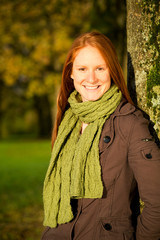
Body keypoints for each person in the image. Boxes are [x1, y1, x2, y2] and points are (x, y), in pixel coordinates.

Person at [41, 32, 160, 240]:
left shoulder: (130, 124)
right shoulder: (68, 119)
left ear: (111, 71)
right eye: (82, 69)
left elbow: (158, 201)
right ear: (71, 73)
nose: (91, 78)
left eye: (100, 68)